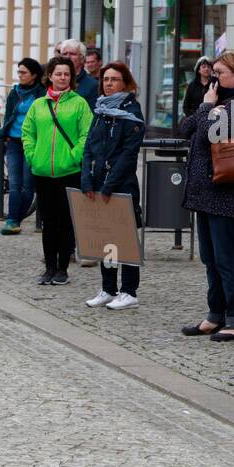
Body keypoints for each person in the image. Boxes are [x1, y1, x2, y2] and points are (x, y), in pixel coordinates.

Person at [179, 51, 234, 342]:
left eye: (218, 72)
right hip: (206, 192)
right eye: (212, 72)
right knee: (209, 257)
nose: (212, 78)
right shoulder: (215, 102)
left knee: (226, 257)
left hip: (228, 192)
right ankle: (214, 315)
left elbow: (209, 134)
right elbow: (185, 128)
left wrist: (206, 109)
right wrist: (206, 107)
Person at [22, 56, 92, 286]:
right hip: (42, 172)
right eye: (58, 73)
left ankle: (62, 268)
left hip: (68, 171)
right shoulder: (38, 105)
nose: (62, 78)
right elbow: (27, 133)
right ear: (49, 76)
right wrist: (33, 157)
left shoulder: (79, 103)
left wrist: (73, 157)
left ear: (71, 78)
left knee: (65, 221)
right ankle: (49, 267)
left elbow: (86, 135)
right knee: (48, 222)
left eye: (67, 74)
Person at [81, 62, 145, 310]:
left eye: (114, 79)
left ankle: (129, 291)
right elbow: (89, 147)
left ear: (125, 83)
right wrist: (87, 179)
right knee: (105, 237)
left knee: (124, 238)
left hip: (121, 184)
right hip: (97, 182)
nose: (108, 83)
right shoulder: (100, 110)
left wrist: (109, 185)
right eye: (105, 79)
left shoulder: (132, 112)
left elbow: (128, 155)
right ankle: (108, 288)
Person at [0, 57, 46, 235]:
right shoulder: (15, 92)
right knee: (14, 183)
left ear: (34, 75)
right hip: (14, 142)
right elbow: (10, 115)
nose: (20, 75)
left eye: (24, 72)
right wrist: (4, 134)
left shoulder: (41, 94)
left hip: (32, 143)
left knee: (28, 185)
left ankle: (16, 218)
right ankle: (12, 220)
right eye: (19, 72)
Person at [55, 38, 99, 108]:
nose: (68, 57)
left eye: (72, 54)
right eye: (64, 54)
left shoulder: (92, 85)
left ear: (82, 58)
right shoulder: (53, 81)